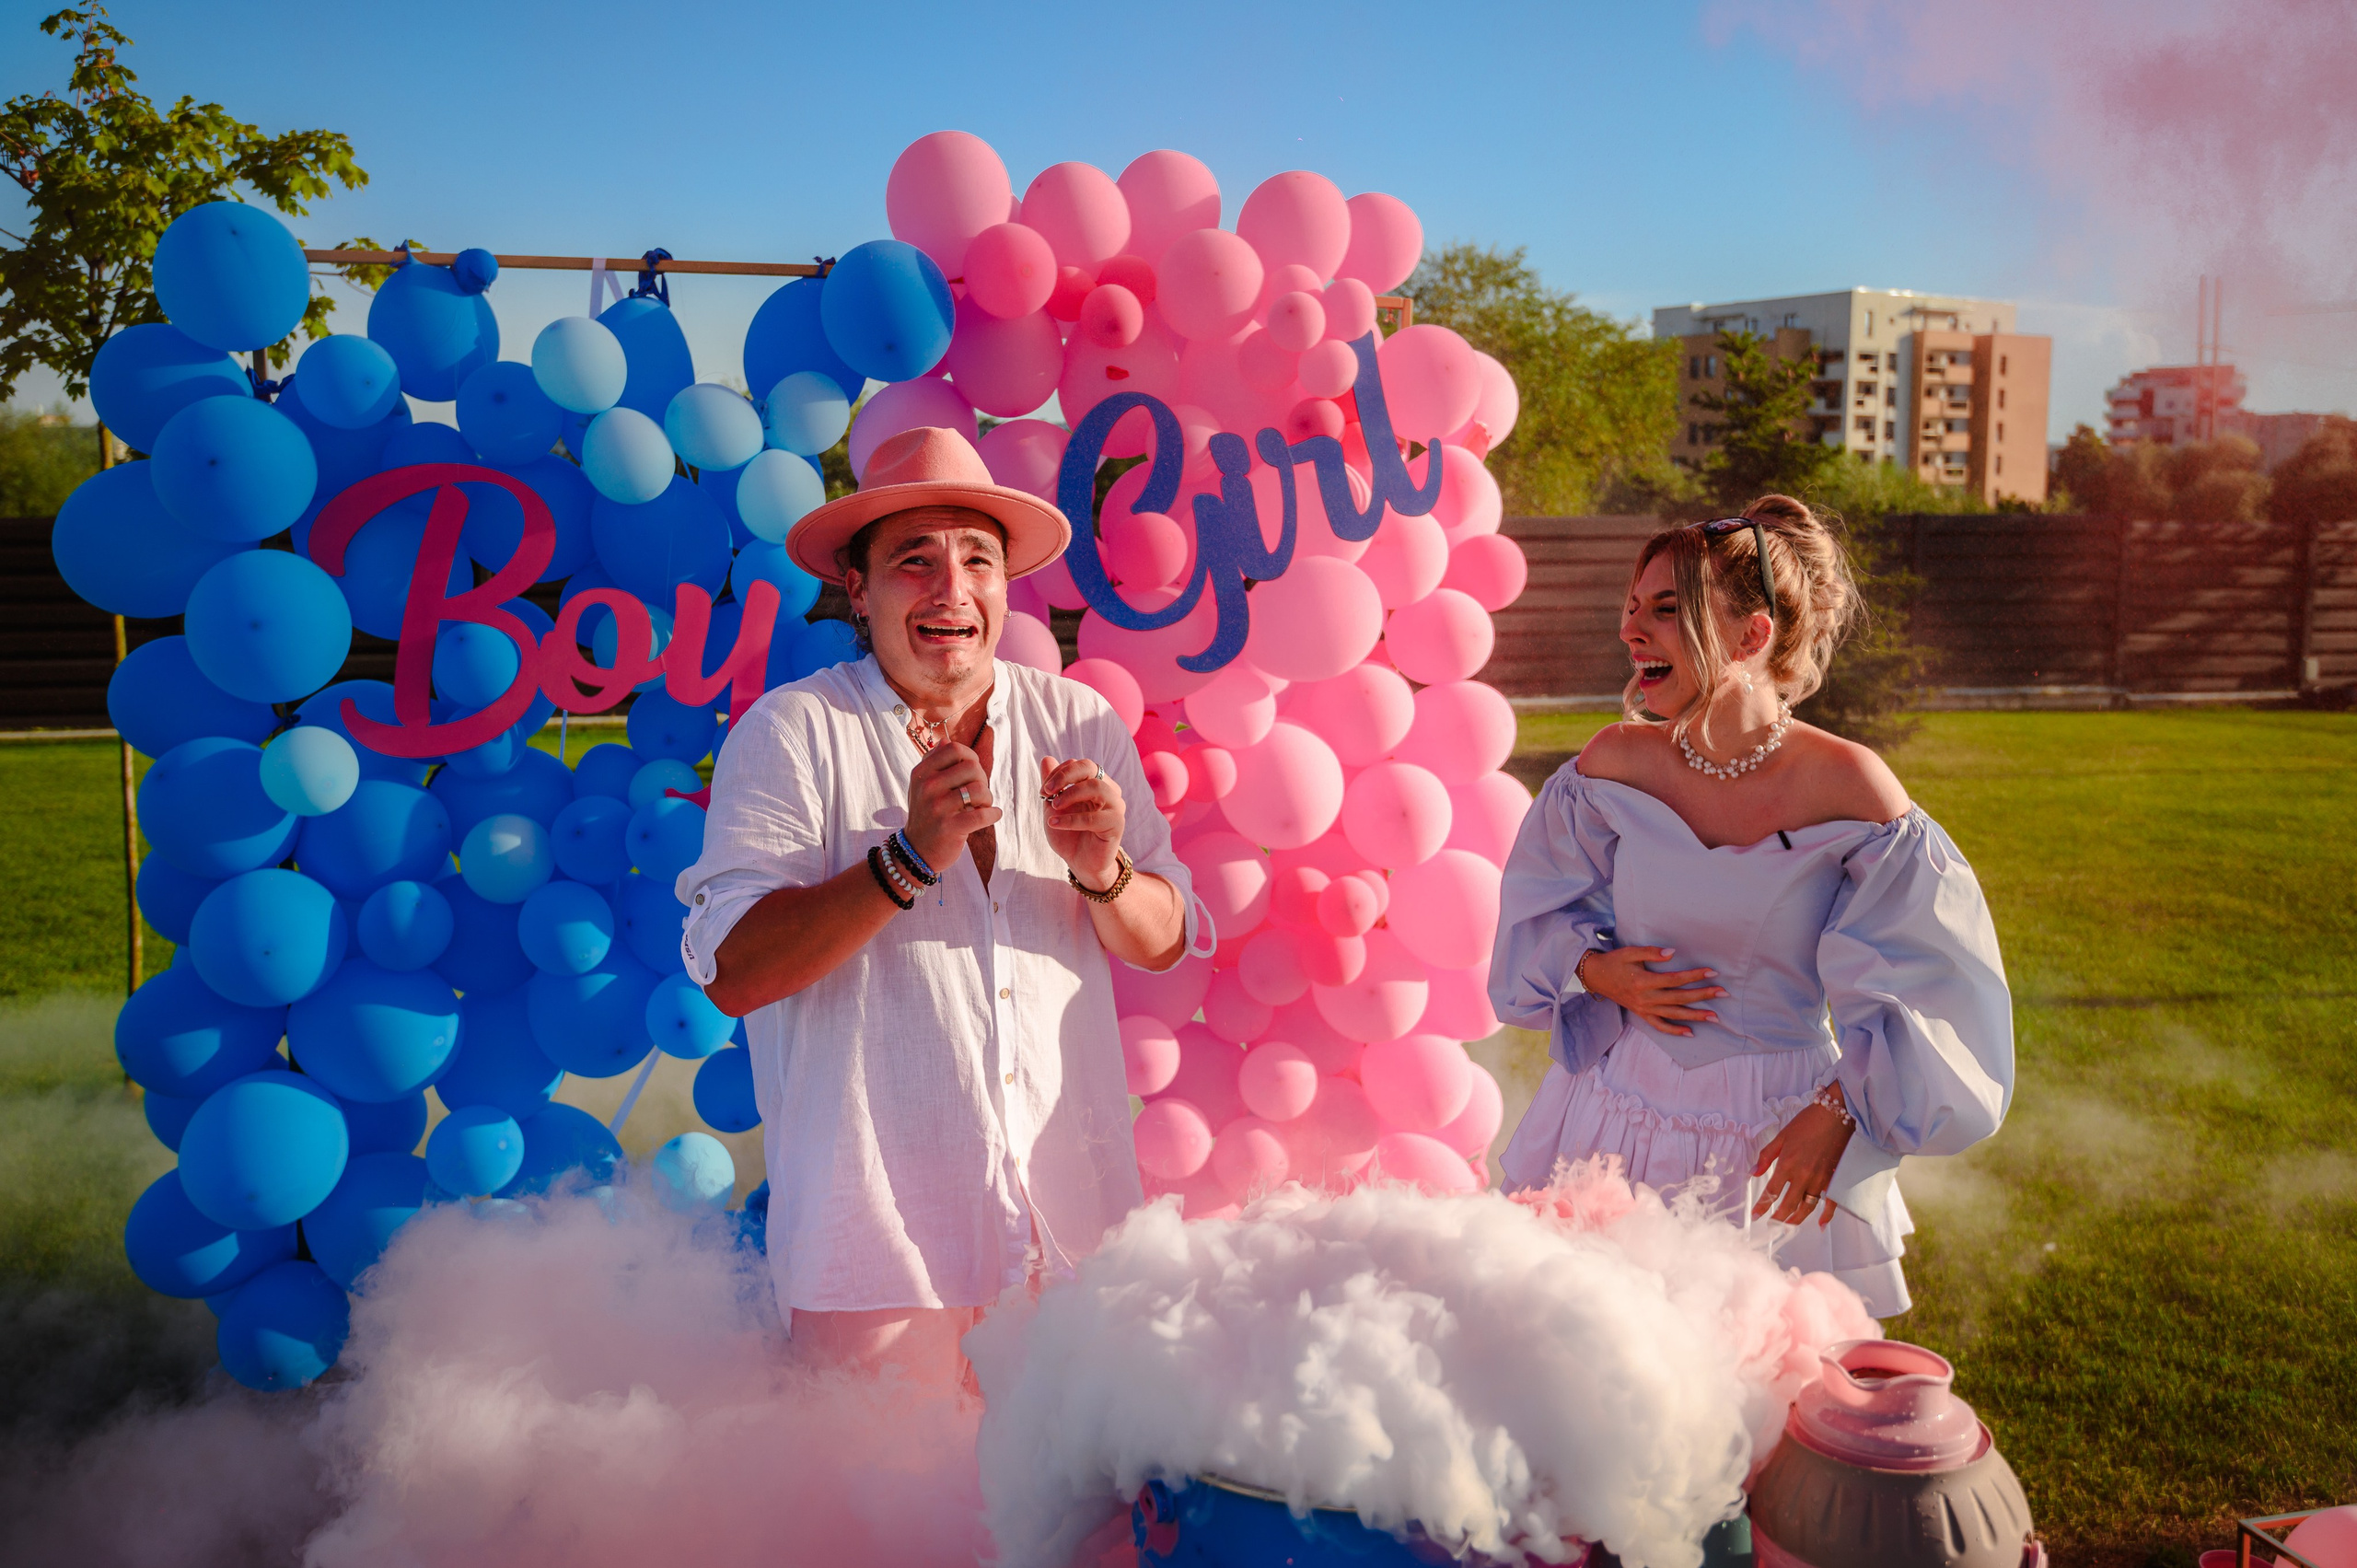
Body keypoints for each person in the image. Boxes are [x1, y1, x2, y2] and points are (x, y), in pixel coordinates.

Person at [677, 425, 1205, 1379]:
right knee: (881, 1527)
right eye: (913, 562)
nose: (950, 589)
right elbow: (734, 971)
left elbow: (1164, 941)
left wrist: (1105, 871)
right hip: (875, 1249)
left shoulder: (1077, 719)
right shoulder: (794, 730)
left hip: (1071, 1234)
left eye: (976, 560)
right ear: (857, 588)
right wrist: (908, 859)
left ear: (1005, 586)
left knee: (1070, 1524)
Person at [1488, 495, 2012, 1318]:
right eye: (1631, 609)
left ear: (1751, 635)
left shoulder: (1851, 787)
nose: (1632, 631)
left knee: (1758, 1381)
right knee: (1583, 1353)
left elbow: (1933, 992)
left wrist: (1839, 1111)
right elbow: (1534, 911)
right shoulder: (1611, 765)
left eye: (1666, 610)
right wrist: (1595, 970)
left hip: (1774, 1136)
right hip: (1611, 1117)